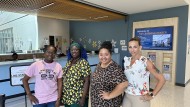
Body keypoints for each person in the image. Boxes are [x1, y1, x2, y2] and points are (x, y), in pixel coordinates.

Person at [122, 37, 166, 107]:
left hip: (140, 98)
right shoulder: (127, 61)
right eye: (130, 47)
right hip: (127, 96)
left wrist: (152, 95)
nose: (132, 50)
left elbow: (162, 79)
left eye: (135, 47)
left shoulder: (145, 62)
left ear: (140, 47)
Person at [90, 41, 128, 107]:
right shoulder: (99, 64)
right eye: (101, 54)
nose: (103, 57)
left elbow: (124, 84)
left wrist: (109, 95)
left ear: (110, 54)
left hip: (109, 103)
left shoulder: (114, 67)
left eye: (106, 54)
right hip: (97, 102)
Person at [61, 42, 91, 107]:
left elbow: (87, 81)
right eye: (72, 50)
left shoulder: (83, 62)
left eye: (76, 49)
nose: (74, 51)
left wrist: (83, 98)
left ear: (80, 51)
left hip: (78, 97)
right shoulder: (69, 62)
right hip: (67, 96)